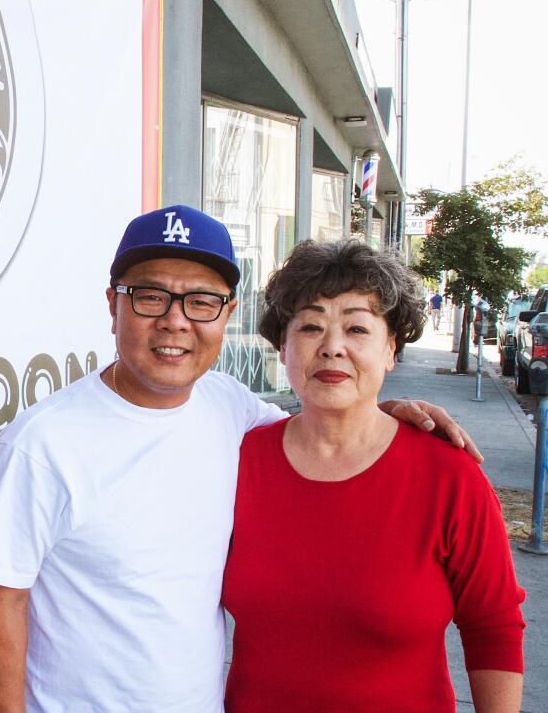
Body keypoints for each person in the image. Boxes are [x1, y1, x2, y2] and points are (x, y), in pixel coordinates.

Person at [0, 206, 477, 713]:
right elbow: (1, 604)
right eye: (149, 297)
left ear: (227, 313)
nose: (174, 321)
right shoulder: (41, 442)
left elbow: (317, 431)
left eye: (201, 302)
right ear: (113, 305)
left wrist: (380, 410)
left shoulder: (230, 406)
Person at [223, 239, 524, 712]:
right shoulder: (238, 462)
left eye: (357, 328)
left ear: (390, 350)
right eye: (310, 326)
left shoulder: (448, 475)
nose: (332, 347)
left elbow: (493, 626)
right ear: (283, 348)